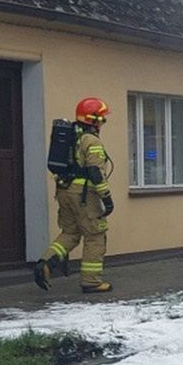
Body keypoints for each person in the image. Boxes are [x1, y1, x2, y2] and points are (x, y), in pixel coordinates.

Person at [34, 98, 114, 293]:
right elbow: (95, 171)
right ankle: (92, 282)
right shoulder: (91, 140)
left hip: (64, 191)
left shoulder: (70, 136)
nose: (102, 123)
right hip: (84, 196)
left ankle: (45, 263)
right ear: (93, 120)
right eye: (101, 119)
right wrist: (106, 198)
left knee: (70, 233)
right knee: (95, 236)